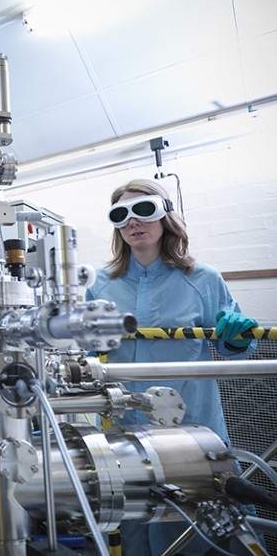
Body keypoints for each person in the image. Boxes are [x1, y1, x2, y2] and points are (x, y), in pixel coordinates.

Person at [85, 178, 258, 555]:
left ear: (166, 215)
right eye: (121, 215)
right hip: (124, 442)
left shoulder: (203, 279)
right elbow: (83, 353)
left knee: (192, 538)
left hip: (194, 439)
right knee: (131, 539)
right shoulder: (98, 286)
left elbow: (233, 351)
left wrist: (237, 336)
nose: (133, 221)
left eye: (143, 209)